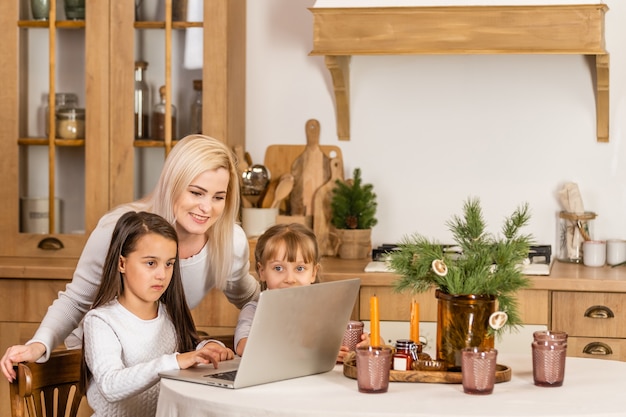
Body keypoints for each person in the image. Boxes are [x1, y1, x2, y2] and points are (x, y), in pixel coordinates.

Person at [2, 135, 260, 382]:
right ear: (172, 185)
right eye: (196, 193)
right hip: (106, 357)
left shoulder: (230, 242)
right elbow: (76, 299)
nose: (207, 208)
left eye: (218, 197)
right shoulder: (121, 229)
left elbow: (251, 299)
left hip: (159, 354)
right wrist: (39, 344)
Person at [82, 211, 232, 416]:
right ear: (122, 263)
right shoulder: (101, 321)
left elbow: (189, 348)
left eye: (169, 264)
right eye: (151, 263)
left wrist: (210, 347)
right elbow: (110, 385)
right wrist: (175, 361)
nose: (162, 275)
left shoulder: (170, 313)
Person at [234, 223, 369, 362]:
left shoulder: (325, 310)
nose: (290, 279)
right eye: (278, 268)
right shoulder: (253, 310)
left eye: (299, 268)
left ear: (313, 273)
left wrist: (367, 343)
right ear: (262, 271)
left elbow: (356, 337)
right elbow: (243, 347)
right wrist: (312, 352)